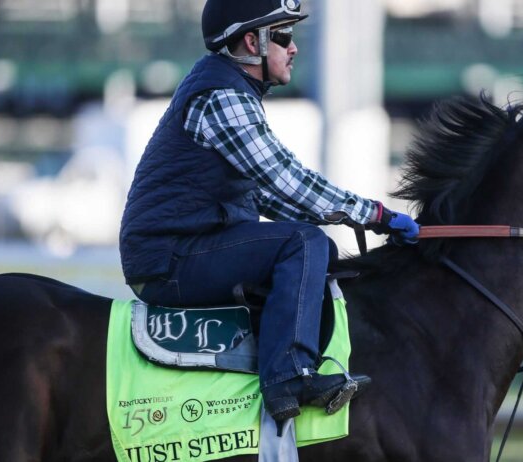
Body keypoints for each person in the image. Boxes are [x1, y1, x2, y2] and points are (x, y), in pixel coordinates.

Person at [119, 0, 419, 425]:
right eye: (283, 36)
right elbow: (286, 179)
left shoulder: (230, 90)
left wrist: (352, 217)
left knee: (319, 252)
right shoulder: (222, 97)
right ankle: (287, 380)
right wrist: (375, 215)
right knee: (303, 242)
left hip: (185, 248)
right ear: (250, 41)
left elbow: (266, 198)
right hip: (169, 261)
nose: (293, 48)